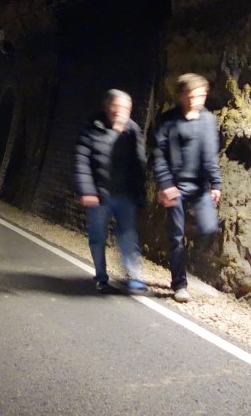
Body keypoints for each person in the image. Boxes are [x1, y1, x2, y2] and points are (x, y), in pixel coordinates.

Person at [151, 73, 222, 303]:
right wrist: (165, 185)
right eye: (192, 95)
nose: (197, 100)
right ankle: (179, 284)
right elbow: (159, 155)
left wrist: (216, 183)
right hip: (176, 187)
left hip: (200, 186)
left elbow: (211, 154)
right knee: (175, 237)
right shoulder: (167, 121)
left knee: (210, 228)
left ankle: (189, 234)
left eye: (201, 95)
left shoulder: (208, 121)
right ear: (181, 96)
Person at [74, 89, 148, 295]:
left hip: (125, 195)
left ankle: (135, 278)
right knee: (98, 237)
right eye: (116, 106)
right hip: (99, 195)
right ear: (107, 107)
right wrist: (87, 190)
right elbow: (82, 160)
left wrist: (139, 192)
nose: (119, 111)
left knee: (128, 237)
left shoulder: (133, 130)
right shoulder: (93, 128)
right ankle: (101, 277)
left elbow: (139, 163)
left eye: (124, 107)